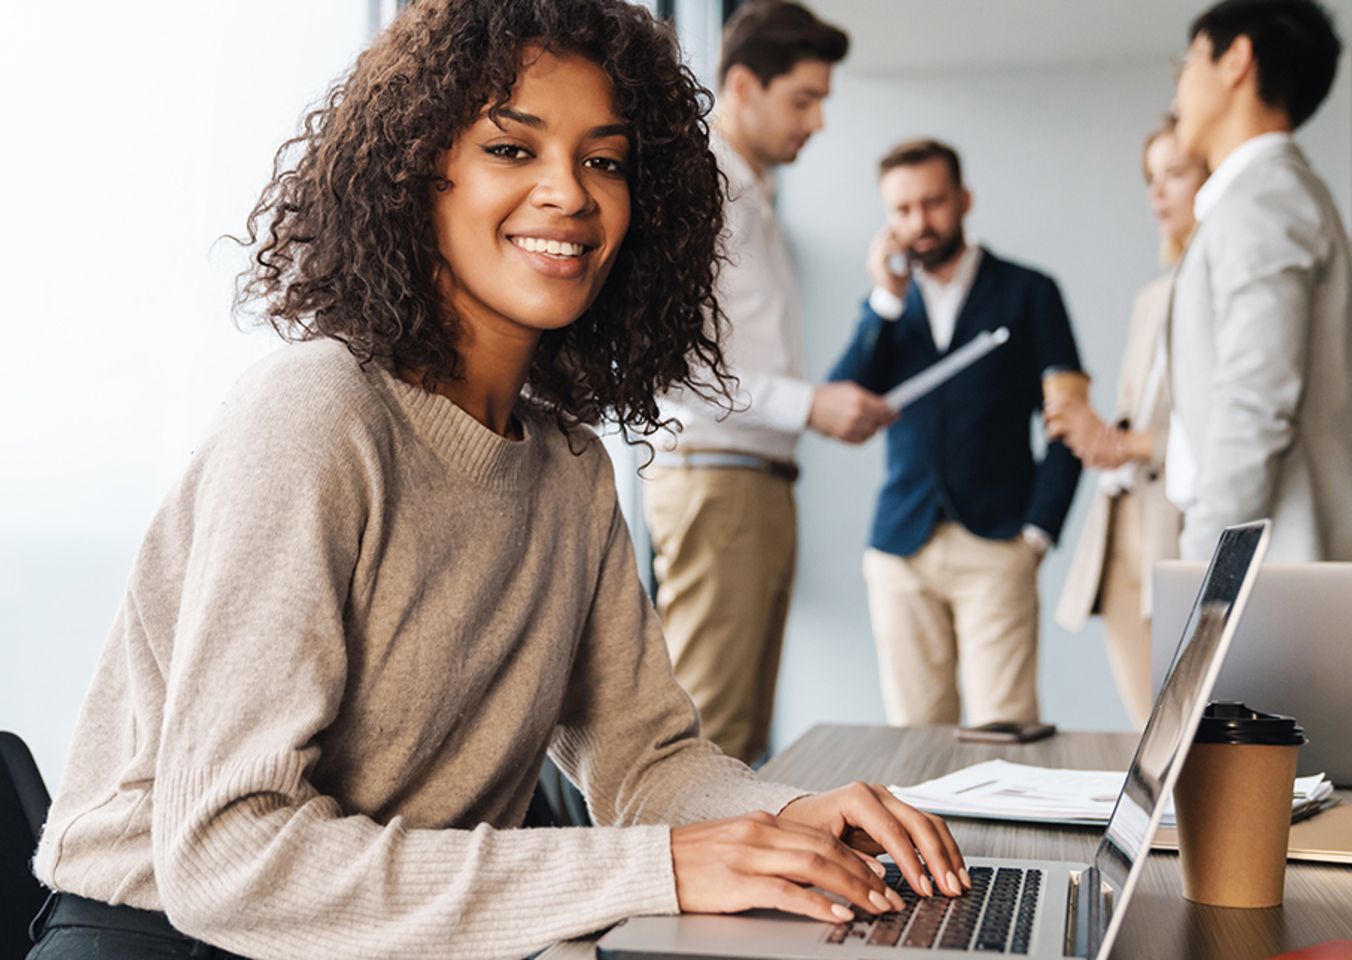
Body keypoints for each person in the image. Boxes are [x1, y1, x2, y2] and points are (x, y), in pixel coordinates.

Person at [26, 3, 971, 958]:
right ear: (412, 176)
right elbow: (228, 857)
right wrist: (662, 867)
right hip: (173, 938)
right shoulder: (316, 412)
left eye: (605, 160)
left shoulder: (570, 471)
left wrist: (792, 819)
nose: (570, 192)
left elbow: (646, 760)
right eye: (511, 150)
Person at [644, 0, 893, 766]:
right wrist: (809, 403)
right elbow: (674, 366)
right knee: (710, 737)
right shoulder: (707, 189)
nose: (817, 122)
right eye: (804, 99)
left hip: (753, 481)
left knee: (740, 737)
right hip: (721, 480)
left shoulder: (752, 194)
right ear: (744, 85)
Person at [828, 138, 1083, 729]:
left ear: (964, 200)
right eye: (902, 210)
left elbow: (1070, 420)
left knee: (1005, 730)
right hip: (900, 546)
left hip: (997, 543)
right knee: (914, 737)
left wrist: (1039, 532)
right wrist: (884, 303)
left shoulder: (1029, 292)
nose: (920, 222)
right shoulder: (889, 307)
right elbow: (840, 404)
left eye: (934, 202)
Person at [1167, 0, 1352, 562]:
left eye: (1187, 66)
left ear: (1236, 59)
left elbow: (1255, 401)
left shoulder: (1264, 200)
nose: (1177, 95)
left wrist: (1201, 563)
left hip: (1276, 573)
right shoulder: (1278, 196)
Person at [1049, 119, 1204, 729]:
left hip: (1180, 528)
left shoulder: (1223, 292)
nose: (1156, 194)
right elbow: (1135, 420)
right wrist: (1093, 433)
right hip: (1119, 535)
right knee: (1150, 732)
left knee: (1192, 733)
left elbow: (1228, 430)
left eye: (1175, 174)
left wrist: (1121, 441)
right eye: (1150, 179)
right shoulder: (1152, 298)